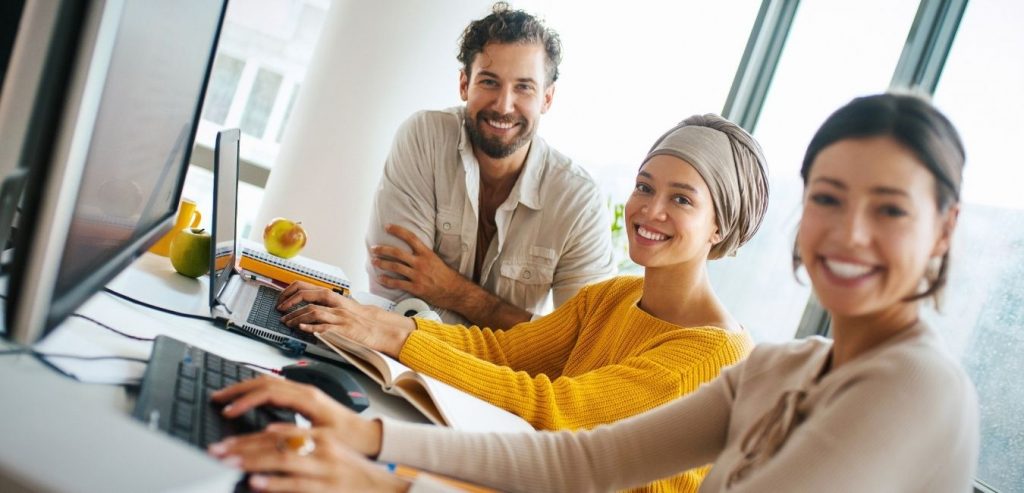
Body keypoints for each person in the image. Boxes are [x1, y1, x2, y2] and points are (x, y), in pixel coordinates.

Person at [208, 93, 980, 492]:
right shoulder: (784, 367)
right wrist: (369, 442)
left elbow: (556, 417)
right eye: (829, 198)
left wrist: (390, 483)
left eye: (889, 209)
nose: (847, 234)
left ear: (943, 229)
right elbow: (582, 463)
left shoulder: (915, 384)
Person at [216, 113, 770, 492]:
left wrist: (393, 335)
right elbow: (500, 353)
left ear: (721, 225)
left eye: (682, 199)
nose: (650, 210)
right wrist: (371, 321)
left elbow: (558, 414)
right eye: (646, 187)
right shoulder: (617, 296)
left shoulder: (708, 356)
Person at [365, 2, 615, 330]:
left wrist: (454, 292)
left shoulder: (578, 200)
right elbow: (397, 293)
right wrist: (516, 325)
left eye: (524, 87)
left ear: (547, 99)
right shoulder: (425, 136)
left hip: (496, 380)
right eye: (489, 82)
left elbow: (580, 341)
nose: (503, 105)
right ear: (464, 84)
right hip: (396, 355)